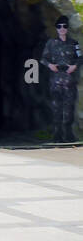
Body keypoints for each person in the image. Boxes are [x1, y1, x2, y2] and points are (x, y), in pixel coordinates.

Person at [41, 15, 80, 144]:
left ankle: (68, 134)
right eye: (59, 27)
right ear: (56, 29)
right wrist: (50, 65)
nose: (62, 29)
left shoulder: (74, 43)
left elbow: (80, 57)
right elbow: (43, 59)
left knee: (69, 108)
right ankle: (57, 134)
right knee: (56, 108)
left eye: (64, 26)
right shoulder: (51, 43)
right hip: (55, 81)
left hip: (69, 81)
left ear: (67, 28)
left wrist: (75, 66)